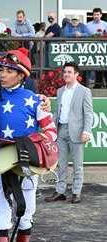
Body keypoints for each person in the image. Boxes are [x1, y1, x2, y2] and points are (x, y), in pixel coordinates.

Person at [0, 48, 57, 242]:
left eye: (9, 71)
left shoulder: (33, 99)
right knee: (0, 214)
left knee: (27, 214)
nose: (3, 74)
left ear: (22, 75)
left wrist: (34, 148)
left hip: (27, 167)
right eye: (2, 70)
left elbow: (50, 131)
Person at [45, 62, 93, 204]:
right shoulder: (60, 91)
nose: (66, 74)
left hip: (77, 132)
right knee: (61, 164)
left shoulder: (84, 91)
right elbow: (56, 112)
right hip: (61, 130)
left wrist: (86, 131)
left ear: (76, 75)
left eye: (69, 72)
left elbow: (89, 113)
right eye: (65, 72)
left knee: (77, 165)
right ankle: (60, 192)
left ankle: (76, 192)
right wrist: (51, 128)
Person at [86, 8, 107, 89]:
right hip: (90, 48)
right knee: (90, 66)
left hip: (102, 49)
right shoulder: (88, 24)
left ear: (101, 15)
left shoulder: (105, 24)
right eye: (94, 14)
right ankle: (86, 83)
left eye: (97, 15)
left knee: (101, 66)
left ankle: (99, 84)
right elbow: (85, 35)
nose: (96, 16)